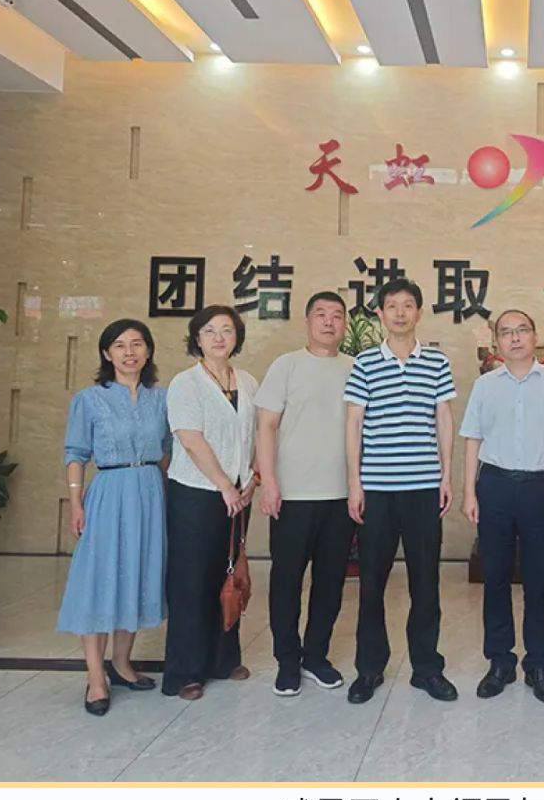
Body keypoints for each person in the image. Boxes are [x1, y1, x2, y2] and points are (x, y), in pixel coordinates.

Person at [343, 279, 459, 704]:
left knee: (425, 582)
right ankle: (369, 669)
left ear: (419, 313)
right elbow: (354, 423)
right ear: (379, 313)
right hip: (377, 489)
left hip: (424, 488)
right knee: (372, 583)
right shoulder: (365, 363)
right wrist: (354, 483)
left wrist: (446, 476)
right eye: (391, 305)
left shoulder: (436, 362)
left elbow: (443, 418)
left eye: (408, 305)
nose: (399, 313)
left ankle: (427, 669)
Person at [461, 308, 544, 704]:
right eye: (506, 332)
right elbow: (473, 439)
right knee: (495, 577)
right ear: (497, 341)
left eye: (522, 330)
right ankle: (500, 662)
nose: (515, 338)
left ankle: (538, 664)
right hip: (494, 485)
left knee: (538, 580)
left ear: (534, 336)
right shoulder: (485, 385)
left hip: (541, 488)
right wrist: (469, 492)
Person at [56, 319, 172, 716]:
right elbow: (75, 453)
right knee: (99, 581)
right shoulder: (90, 399)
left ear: (148, 350)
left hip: (149, 492)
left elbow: (169, 449)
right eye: (119, 345)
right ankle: (95, 678)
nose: (129, 352)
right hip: (108, 491)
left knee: (136, 577)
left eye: (137, 344)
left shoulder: (162, 398)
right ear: (107, 353)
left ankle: (122, 664)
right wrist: (76, 502)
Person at [255, 291, 356, 698]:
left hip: (340, 495)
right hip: (292, 494)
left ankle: (315, 656)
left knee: (330, 582)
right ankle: (287, 660)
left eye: (337, 315)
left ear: (345, 323)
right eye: (321, 314)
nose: (329, 322)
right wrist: (269, 481)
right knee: (286, 580)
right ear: (307, 321)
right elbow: (266, 426)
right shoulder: (287, 366)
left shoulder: (355, 368)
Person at [162, 305, 259, 700]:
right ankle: (185, 671)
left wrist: (252, 478)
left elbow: (256, 435)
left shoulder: (247, 381)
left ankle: (223, 659)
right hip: (196, 493)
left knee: (228, 573)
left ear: (237, 337)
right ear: (197, 339)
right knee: (191, 581)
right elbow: (190, 438)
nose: (219, 337)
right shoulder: (185, 383)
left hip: (238, 493)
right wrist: (223, 484)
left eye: (227, 330)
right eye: (209, 331)